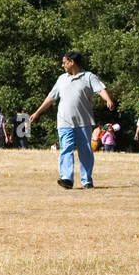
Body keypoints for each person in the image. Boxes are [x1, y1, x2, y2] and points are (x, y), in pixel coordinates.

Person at [28, 51, 114, 189]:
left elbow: (101, 89)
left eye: (64, 62)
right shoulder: (61, 79)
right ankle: (67, 179)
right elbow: (51, 97)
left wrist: (108, 99)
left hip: (83, 121)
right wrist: (37, 112)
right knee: (66, 149)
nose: (62, 65)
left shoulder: (88, 77)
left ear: (72, 62)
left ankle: (86, 181)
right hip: (64, 122)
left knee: (85, 151)